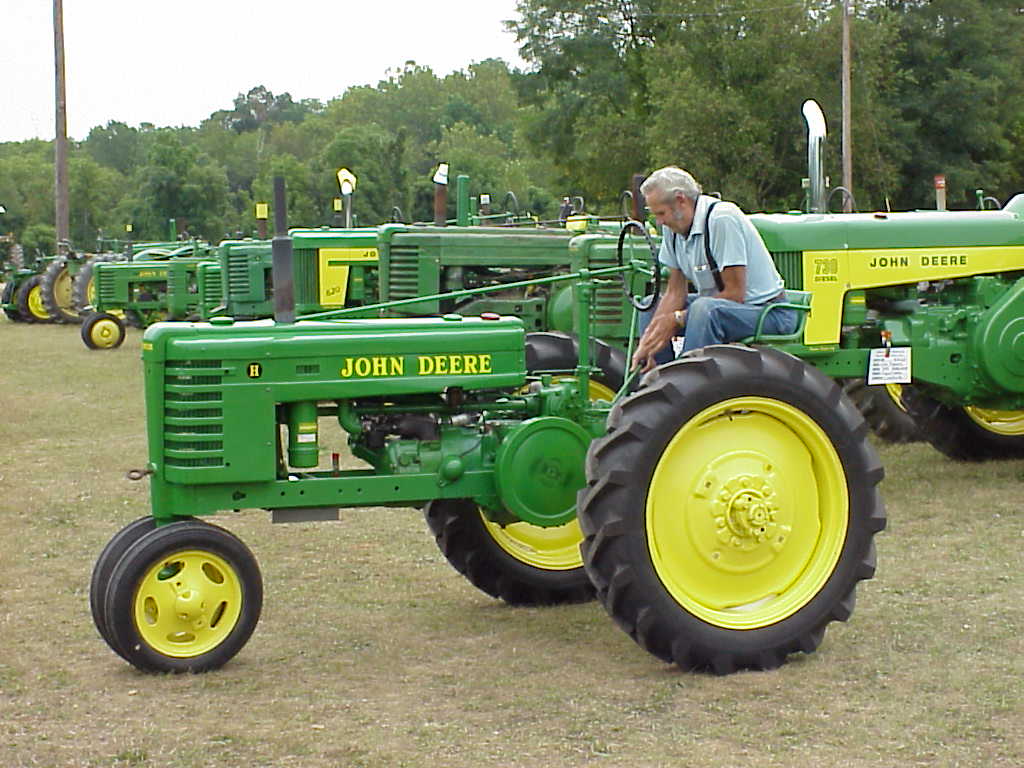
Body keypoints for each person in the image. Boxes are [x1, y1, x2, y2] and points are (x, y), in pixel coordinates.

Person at [632, 166, 798, 372]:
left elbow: (735, 294)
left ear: (680, 201)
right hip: (718, 308)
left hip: (767, 312)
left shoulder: (721, 219)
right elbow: (675, 292)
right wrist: (648, 341)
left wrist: (677, 319)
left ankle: (688, 384)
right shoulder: (672, 229)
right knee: (651, 306)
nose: (659, 221)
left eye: (661, 213)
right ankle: (656, 381)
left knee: (703, 309)